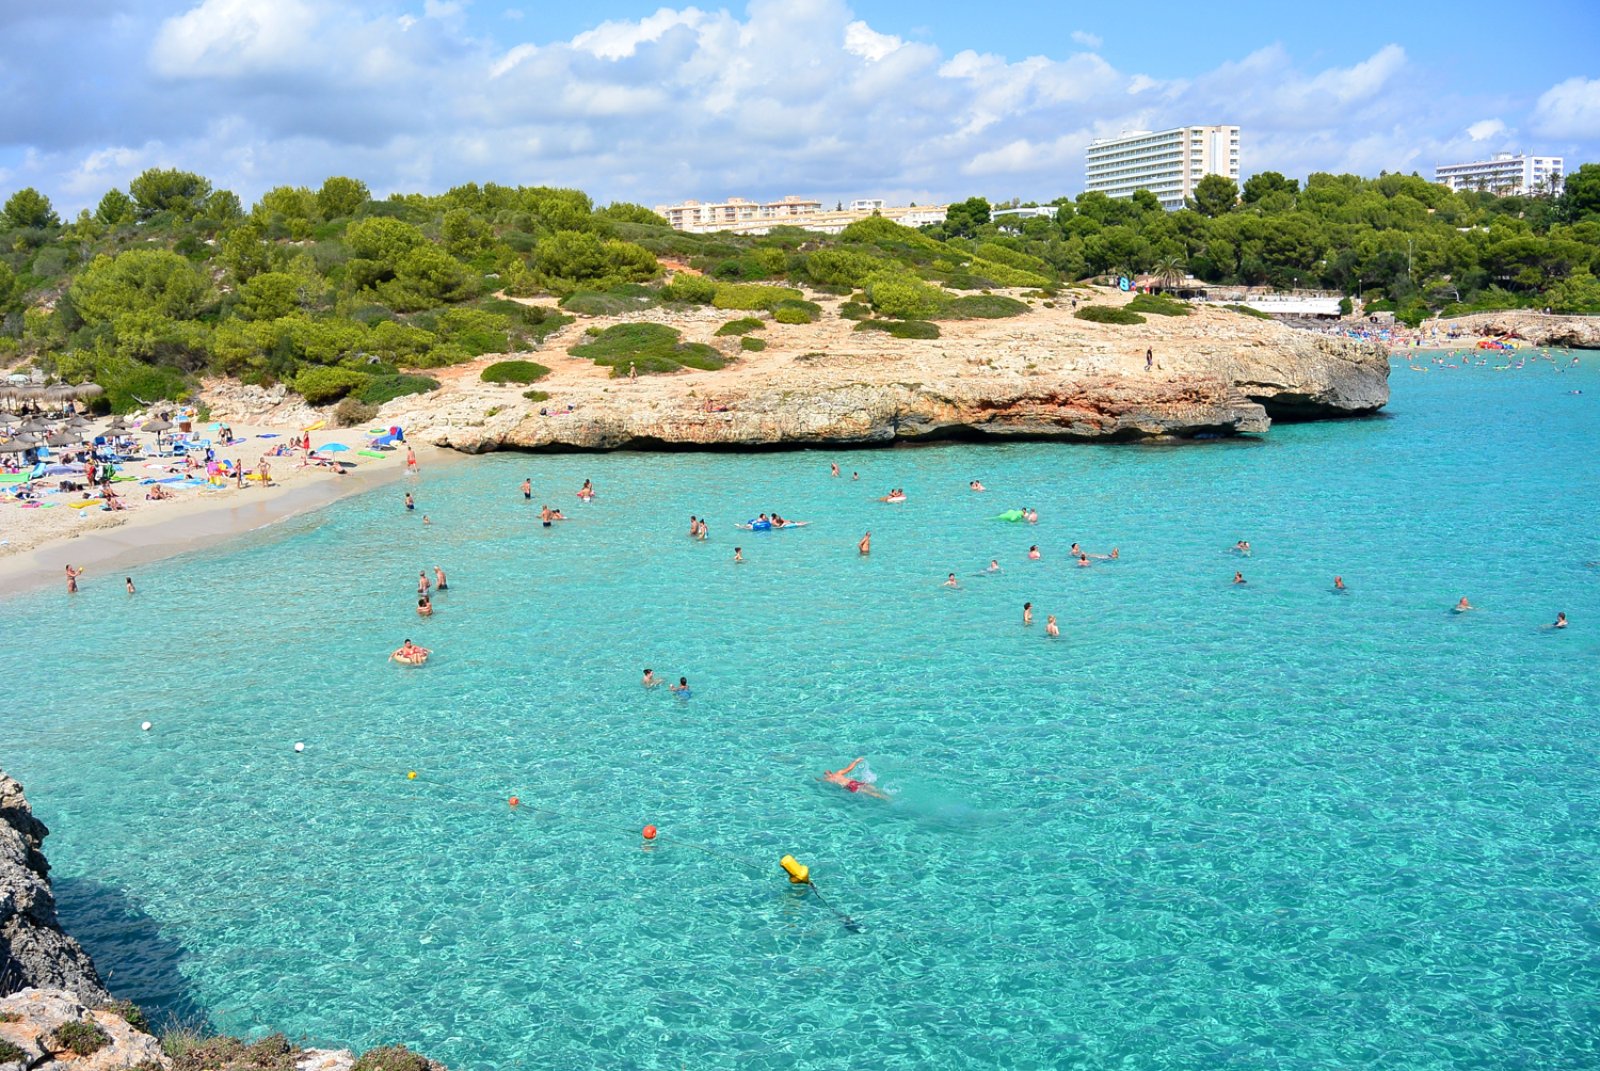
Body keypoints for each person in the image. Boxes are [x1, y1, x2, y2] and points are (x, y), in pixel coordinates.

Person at [820, 758, 888, 799]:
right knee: (874, 788)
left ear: (827, 775)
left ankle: (885, 798)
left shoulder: (829, 779)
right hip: (854, 782)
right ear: (831, 772)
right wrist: (856, 761)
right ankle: (887, 794)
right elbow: (849, 768)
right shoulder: (839, 772)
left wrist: (814, 778)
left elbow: (820, 780)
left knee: (870, 793)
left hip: (850, 786)